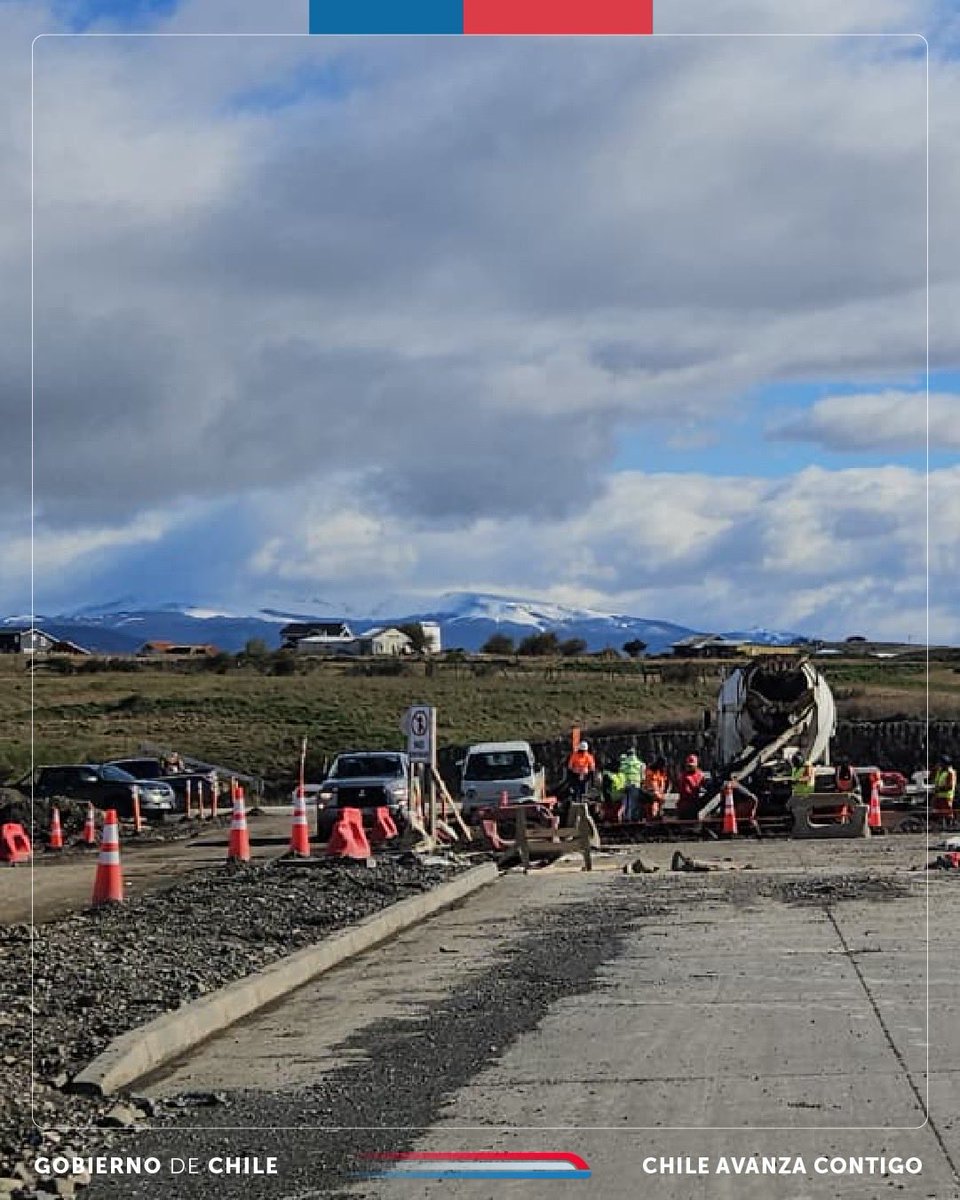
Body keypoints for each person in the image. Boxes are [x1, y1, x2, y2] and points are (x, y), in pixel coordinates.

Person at [619, 747, 646, 823]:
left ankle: (624, 817)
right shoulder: (640, 763)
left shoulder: (623, 763)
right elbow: (643, 776)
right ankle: (631, 818)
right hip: (635, 784)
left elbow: (620, 773)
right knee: (633, 802)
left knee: (625, 801)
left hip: (625, 784)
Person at [676, 753, 706, 822]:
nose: (689, 767)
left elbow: (705, 785)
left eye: (691, 766)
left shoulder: (700, 774)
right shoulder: (684, 777)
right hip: (686, 806)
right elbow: (686, 792)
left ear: (696, 765)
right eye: (688, 766)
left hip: (695, 805)